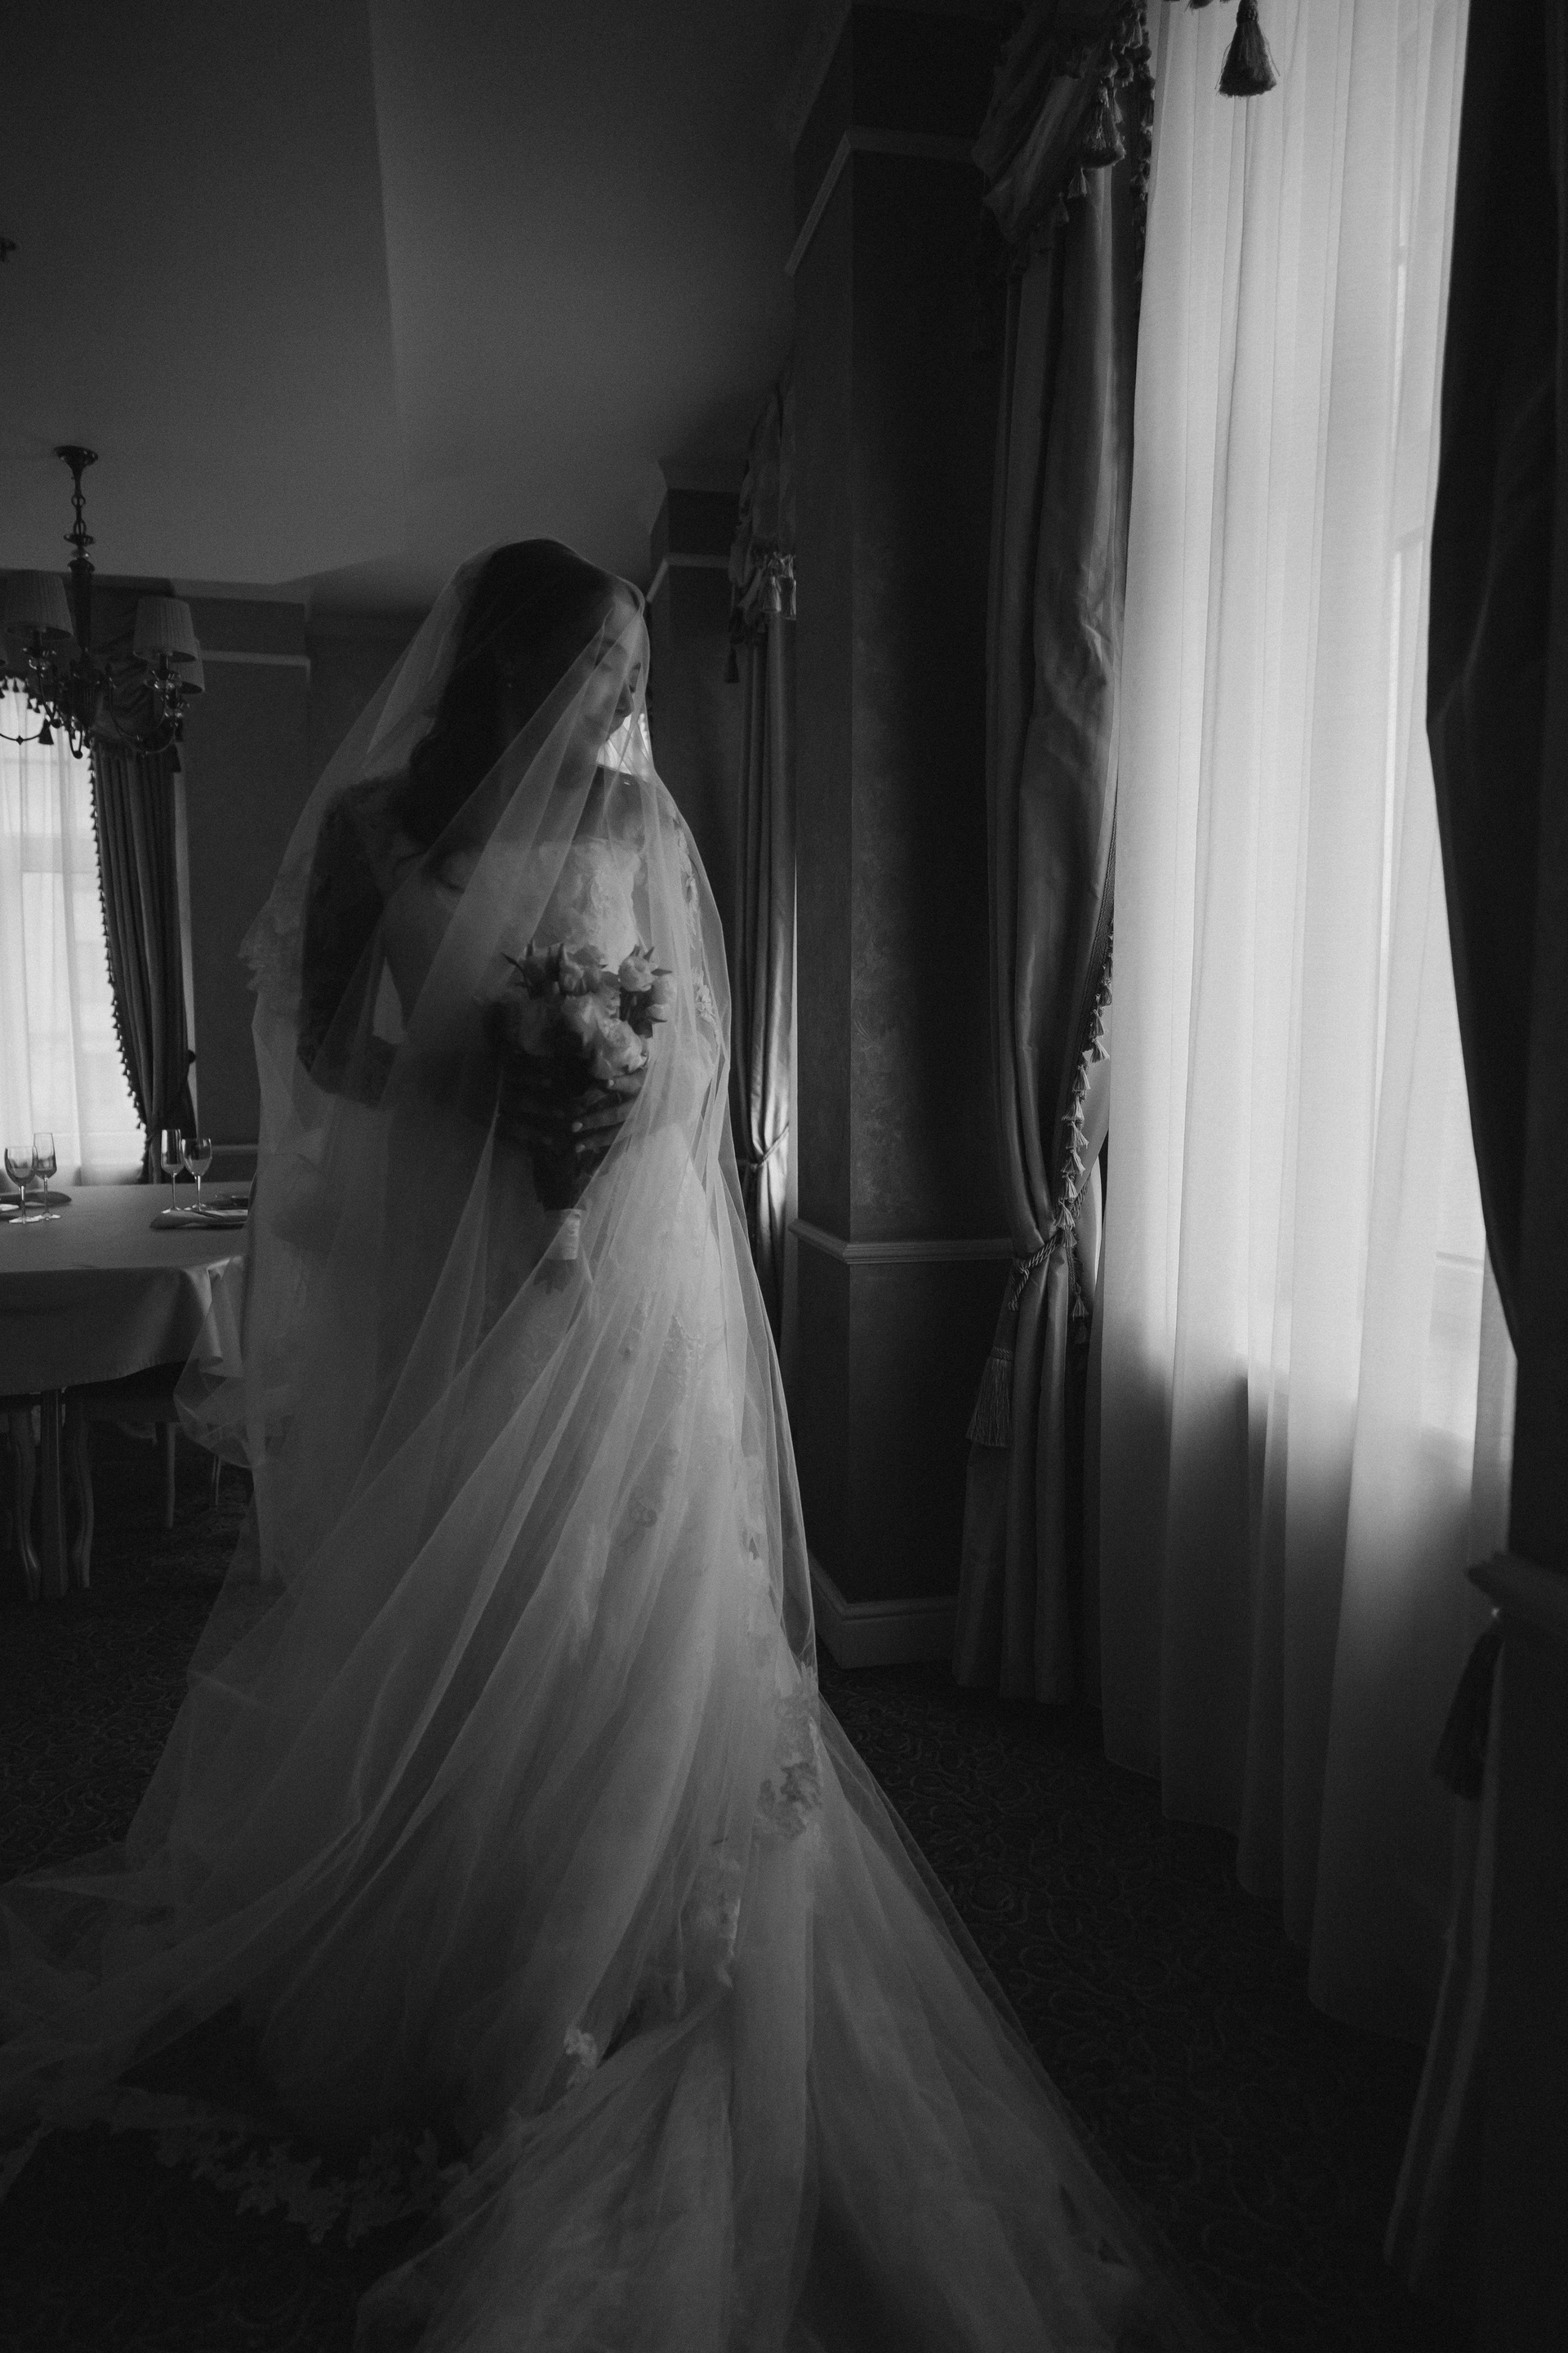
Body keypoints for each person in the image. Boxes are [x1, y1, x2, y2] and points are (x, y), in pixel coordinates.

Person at [1, 544, 1197, 2351]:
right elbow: (321, 1057)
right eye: (601, 669)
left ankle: (618, 1951)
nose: (623, 703)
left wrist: (608, 1089)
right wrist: (476, 1082)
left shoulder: (643, 822)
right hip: (450, 1277)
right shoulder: (381, 834)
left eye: (633, 672)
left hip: (621, 1290)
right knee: (469, 1601)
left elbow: (695, 1057)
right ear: (518, 665)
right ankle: (455, 1947)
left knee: (624, 1599)